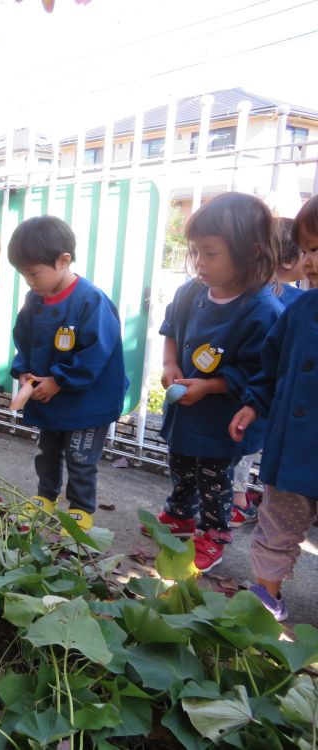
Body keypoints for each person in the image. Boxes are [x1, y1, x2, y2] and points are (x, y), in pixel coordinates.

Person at [152, 192, 282, 573]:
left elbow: (261, 371)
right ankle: (180, 514)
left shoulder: (262, 309)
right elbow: (171, 329)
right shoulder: (190, 291)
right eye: (195, 251)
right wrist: (170, 362)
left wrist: (210, 386)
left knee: (214, 477)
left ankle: (213, 532)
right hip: (187, 409)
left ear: (251, 252)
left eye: (210, 253)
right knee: (180, 461)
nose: (199, 263)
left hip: (223, 416)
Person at [228, 195, 318, 620]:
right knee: (277, 522)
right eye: (306, 250)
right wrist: (254, 403)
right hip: (293, 453)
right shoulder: (299, 309)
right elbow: (270, 364)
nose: (310, 261)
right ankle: (266, 592)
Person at [7, 216, 127, 532]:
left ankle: (80, 508)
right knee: (47, 451)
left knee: (80, 457)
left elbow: (97, 352)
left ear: (63, 261)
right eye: (23, 274)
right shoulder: (34, 300)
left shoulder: (91, 300)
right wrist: (24, 373)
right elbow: (24, 340)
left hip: (87, 402)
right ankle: (45, 497)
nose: (29, 281)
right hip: (51, 398)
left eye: (33, 273)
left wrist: (60, 380)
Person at [229, 217, 305, 526]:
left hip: (246, 386)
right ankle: (235, 499)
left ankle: (236, 496)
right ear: (289, 259)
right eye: (307, 251)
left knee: (241, 446)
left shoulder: (248, 293)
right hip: (267, 390)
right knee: (248, 445)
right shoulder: (295, 300)